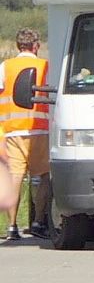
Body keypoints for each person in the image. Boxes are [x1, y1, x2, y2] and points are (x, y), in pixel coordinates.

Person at [0, 28, 51, 240]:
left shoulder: (5, 66)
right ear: (36, 46)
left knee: (15, 179)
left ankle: (12, 227)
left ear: (17, 45)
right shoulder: (46, 66)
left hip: (12, 132)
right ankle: (38, 222)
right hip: (39, 128)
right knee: (45, 176)